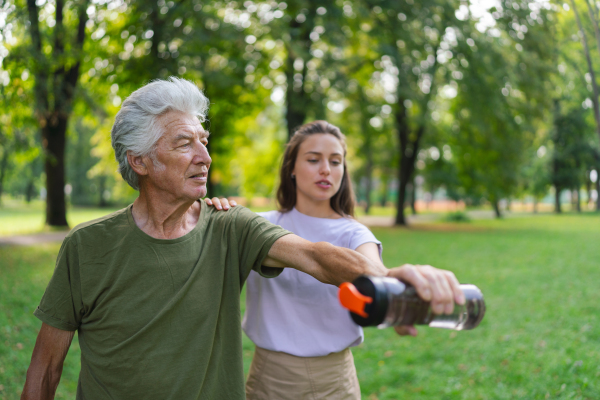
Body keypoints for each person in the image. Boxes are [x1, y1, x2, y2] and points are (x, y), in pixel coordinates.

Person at [21, 78, 464, 400]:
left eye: (205, 141)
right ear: (140, 161)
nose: (205, 157)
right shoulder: (86, 248)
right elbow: (45, 368)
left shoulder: (230, 227)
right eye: (184, 144)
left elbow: (315, 256)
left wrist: (385, 276)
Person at [208, 121, 409, 398]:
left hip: (336, 382)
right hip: (270, 379)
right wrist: (214, 213)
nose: (326, 169)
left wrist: (394, 301)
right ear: (291, 167)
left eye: (335, 161)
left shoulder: (355, 233)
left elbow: (374, 271)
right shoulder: (258, 225)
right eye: (313, 159)